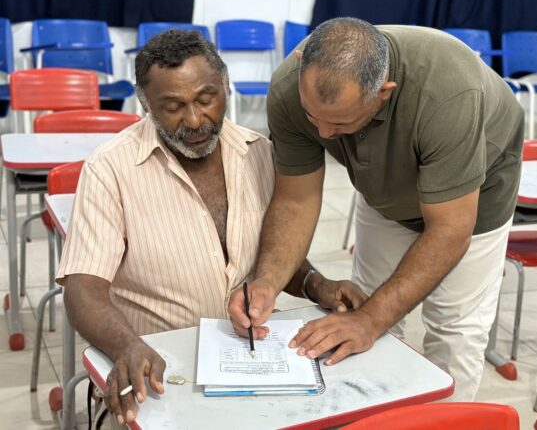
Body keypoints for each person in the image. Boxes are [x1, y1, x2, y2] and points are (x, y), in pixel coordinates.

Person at [56, 29, 367, 426]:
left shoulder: (260, 153)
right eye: (172, 106)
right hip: (162, 369)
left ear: (226, 87)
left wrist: (316, 284)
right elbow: (83, 290)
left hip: (253, 360)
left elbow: (275, 256)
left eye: (207, 99)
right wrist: (126, 347)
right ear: (146, 104)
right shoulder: (110, 169)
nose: (195, 119)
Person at [228, 17, 524, 400]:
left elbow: (449, 230)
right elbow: (295, 198)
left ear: (384, 92)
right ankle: (377, 413)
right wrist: (267, 281)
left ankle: (447, 420)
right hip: (384, 190)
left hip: (476, 194)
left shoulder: (449, 91)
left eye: (340, 122)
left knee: (454, 328)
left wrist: (369, 321)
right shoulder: (290, 87)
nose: (322, 134)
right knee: (363, 307)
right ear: (301, 61)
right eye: (312, 115)